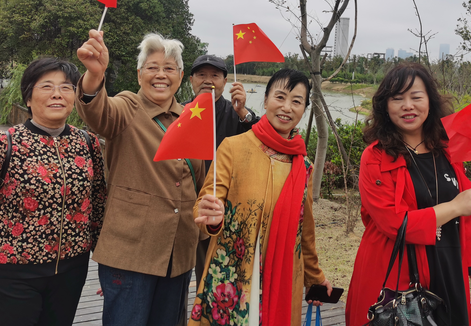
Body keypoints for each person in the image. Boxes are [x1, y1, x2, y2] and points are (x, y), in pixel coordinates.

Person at [0, 57, 107, 326]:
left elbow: (98, 204)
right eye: (46, 86)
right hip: (13, 270)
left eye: (66, 87)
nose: (57, 94)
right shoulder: (3, 142)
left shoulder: (87, 143)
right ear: (28, 98)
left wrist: (106, 265)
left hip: (71, 269)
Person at [345, 63, 471, 326]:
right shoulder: (375, 157)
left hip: (448, 266)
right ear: (385, 106)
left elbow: (462, 221)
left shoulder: (447, 150)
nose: (408, 106)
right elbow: (394, 223)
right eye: (398, 99)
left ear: (430, 101)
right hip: (398, 272)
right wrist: (455, 206)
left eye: (416, 97)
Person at [75, 29, 205, 326]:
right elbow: (99, 112)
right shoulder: (128, 107)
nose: (160, 75)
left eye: (169, 68)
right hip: (130, 254)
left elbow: (199, 181)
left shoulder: (191, 119)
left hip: (177, 256)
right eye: (152, 67)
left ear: (180, 76)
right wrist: (94, 76)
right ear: (139, 74)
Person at [189, 69, 332, 326]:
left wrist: (315, 277)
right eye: (280, 97)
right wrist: (210, 215)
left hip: (282, 276)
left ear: (304, 109)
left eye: (297, 101)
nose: (287, 107)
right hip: (234, 275)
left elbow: (305, 231)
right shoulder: (233, 147)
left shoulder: (304, 166)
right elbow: (205, 203)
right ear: (265, 101)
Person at [181, 54, 261, 323]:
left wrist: (244, 113)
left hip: (218, 212)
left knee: (213, 276)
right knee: (175, 281)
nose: (208, 81)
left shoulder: (235, 114)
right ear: (191, 80)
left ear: (226, 82)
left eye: (215, 75)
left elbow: (263, 137)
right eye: (201, 75)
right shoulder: (180, 112)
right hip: (181, 207)